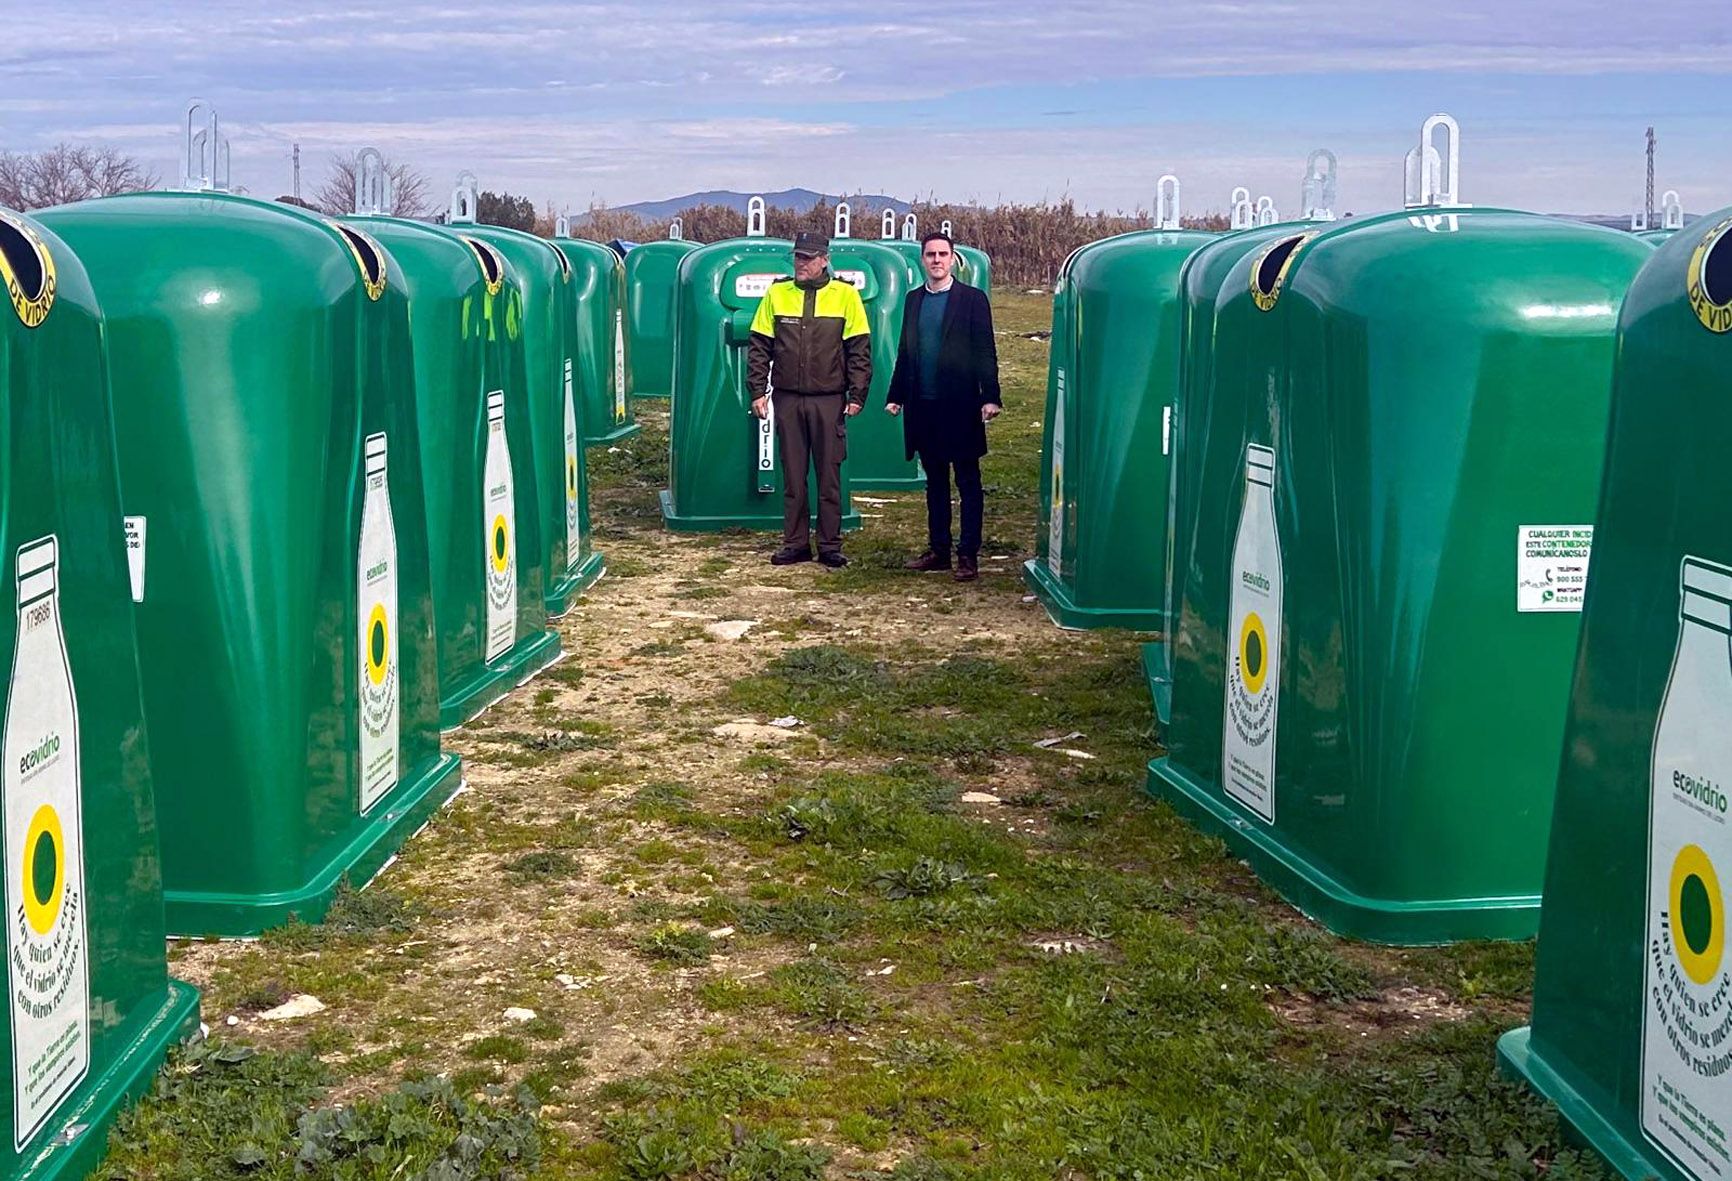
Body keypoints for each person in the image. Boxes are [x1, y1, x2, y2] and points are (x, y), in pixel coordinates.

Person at [746, 231, 872, 567]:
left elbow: (859, 349)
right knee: (793, 475)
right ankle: (796, 543)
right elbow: (759, 346)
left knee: (829, 476)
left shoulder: (846, 296)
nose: (800, 263)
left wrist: (857, 394)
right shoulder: (777, 293)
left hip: (829, 400)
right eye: (797, 257)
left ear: (824, 260)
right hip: (787, 399)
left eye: (807, 258)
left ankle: (830, 545)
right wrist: (757, 391)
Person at [886, 231, 1001, 581]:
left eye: (942, 254)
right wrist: (896, 395)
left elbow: (985, 350)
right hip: (924, 404)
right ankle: (939, 550)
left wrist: (990, 396)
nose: (936, 260)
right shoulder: (913, 300)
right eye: (930, 254)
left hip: (961, 404)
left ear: (953, 260)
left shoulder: (972, 299)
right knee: (934, 481)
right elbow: (906, 351)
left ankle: (968, 554)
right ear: (922, 259)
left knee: (967, 481)